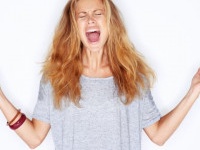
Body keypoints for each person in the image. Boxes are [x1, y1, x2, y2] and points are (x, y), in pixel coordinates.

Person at [0, 0, 200, 149]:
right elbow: (34, 138)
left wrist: (194, 91)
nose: (90, 20)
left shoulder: (132, 76)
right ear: (74, 26)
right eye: (82, 15)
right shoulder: (56, 78)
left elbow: (158, 135)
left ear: (110, 22)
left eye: (98, 13)